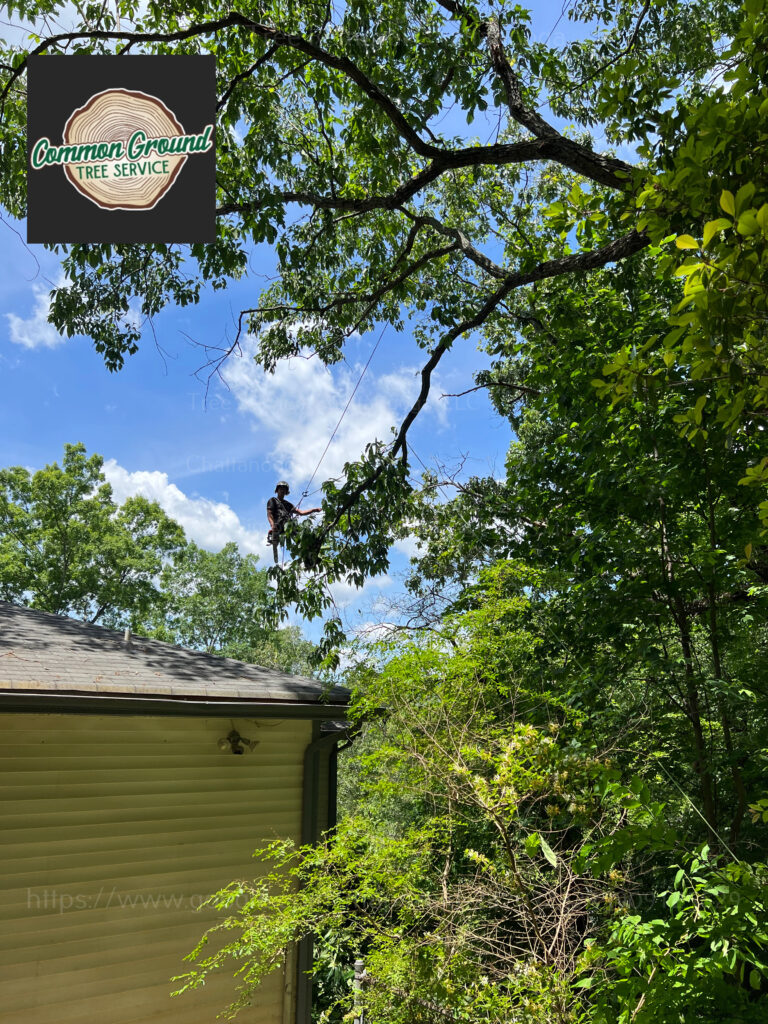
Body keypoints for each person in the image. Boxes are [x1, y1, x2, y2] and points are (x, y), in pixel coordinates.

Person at [266, 481, 320, 564]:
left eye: (284, 489)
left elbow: (301, 512)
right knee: (277, 526)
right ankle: (274, 537)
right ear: (277, 490)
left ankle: (308, 557)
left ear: (286, 492)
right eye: (281, 489)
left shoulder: (288, 504)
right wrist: (272, 525)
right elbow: (269, 514)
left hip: (289, 527)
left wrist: (313, 510)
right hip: (278, 525)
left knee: (300, 538)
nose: (282, 491)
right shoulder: (272, 500)